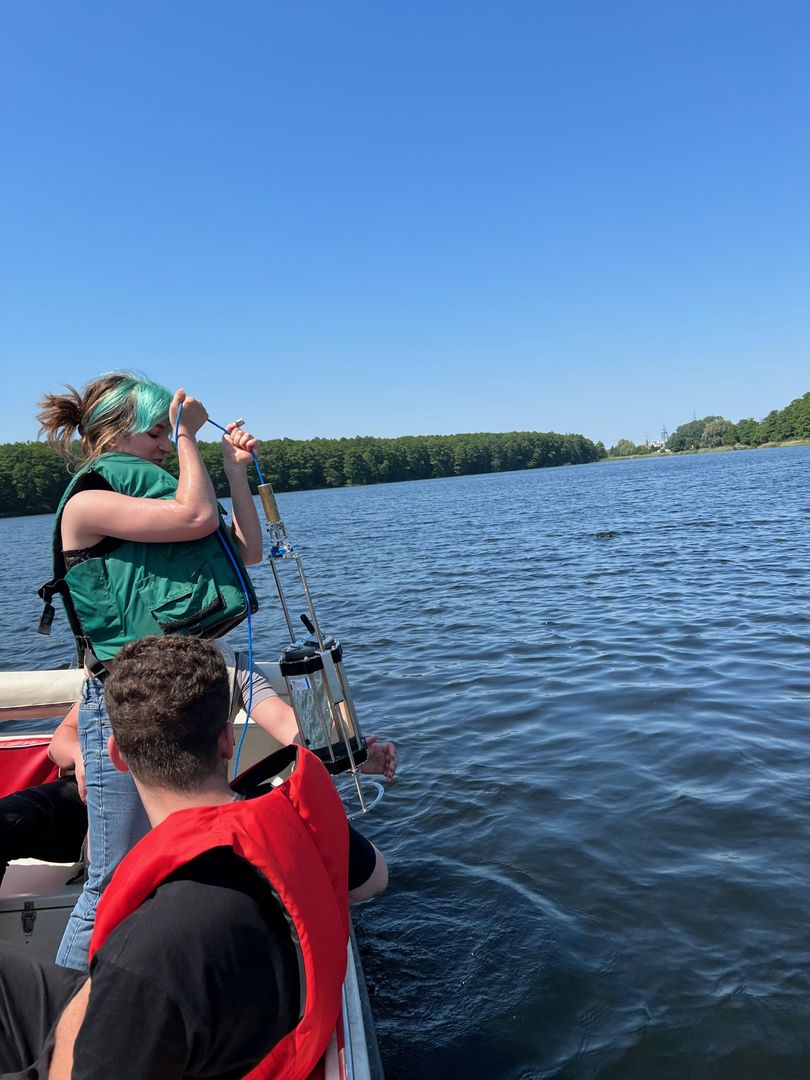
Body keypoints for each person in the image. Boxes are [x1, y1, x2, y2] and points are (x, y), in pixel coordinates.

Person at [36, 372, 393, 970]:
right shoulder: (88, 502)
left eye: (163, 433)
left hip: (189, 688)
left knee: (181, 850)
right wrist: (187, 439)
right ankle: (77, 1011)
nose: (161, 445)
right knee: (115, 872)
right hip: (128, 701)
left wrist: (231, 468)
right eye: (153, 433)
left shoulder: (168, 494)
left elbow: (247, 549)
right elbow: (197, 520)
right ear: (112, 433)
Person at [0, 636, 351, 1080]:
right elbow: (373, 877)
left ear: (116, 757)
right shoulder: (299, 825)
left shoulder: (145, 953)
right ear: (226, 741)